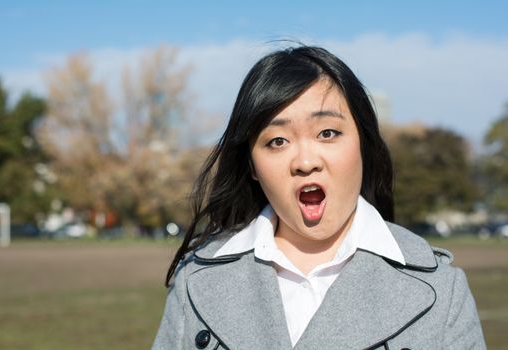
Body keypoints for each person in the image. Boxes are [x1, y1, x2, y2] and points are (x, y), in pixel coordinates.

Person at [151, 45, 486, 349]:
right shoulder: (194, 280)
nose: (306, 162)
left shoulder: (442, 288)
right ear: (252, 165)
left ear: (362, 144)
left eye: (328, 133)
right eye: (277, 141)